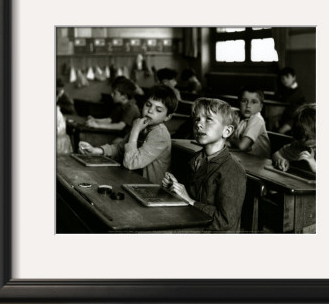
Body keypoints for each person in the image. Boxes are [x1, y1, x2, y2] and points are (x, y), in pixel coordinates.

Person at [162, 98, 246, 232]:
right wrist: (175, 187)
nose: (199, 125)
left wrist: (190, 201)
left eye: (208, 119)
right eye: (197, 119)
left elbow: (225, 222)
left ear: (227, 131)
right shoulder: (195, 159)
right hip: (193, 224)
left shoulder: (233, 170)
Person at [79, 85, 178, 184]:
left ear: (168, 117)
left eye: (158, 110)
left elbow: (131, 163)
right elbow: (120, 148)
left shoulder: (160, 135)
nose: (150, 111)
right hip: (132, 180)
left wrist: (135, 131)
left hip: (150, 188)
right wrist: (96, 150)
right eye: (148, 105)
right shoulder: (141, 124)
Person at [229, 86, 271, 158]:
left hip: (259, 163)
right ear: (239, 103)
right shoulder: (238, 116)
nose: (248, 106)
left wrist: (229, 140)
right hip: (243, 158)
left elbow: (242, 146)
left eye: (254, 102)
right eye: (244, 101)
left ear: (260, 107)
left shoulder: (257, 119)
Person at [272, 103, 316, 173]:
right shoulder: (299, 146)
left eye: (312, 138)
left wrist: (315, 166)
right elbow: (276, 154)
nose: (307, 143)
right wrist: (281, 160)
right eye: (302, 138)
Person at [275, 67, 306, 134]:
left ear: (294, 77)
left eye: (287, 77)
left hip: (295, 119)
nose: (285, 80)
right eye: (282, 78)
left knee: (280, 132)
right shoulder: (284, 90)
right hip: (285, 117)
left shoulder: (298, 91)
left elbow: (286, 99)